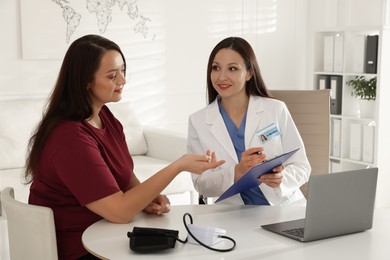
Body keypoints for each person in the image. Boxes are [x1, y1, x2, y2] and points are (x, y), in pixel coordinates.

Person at [24, 34, 224, 260]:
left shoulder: (105, 117)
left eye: (123, 70)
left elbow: (124, 176)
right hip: (82, 248)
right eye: (112, 75)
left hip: (108, 234)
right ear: (86, 82)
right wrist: (177, 166)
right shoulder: (70, 138)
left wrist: (149, 197)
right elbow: (119, 212)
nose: (123, 80)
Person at [187, 36, 311, 206]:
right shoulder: (198, 121)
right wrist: (237, 172)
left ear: (249, 73)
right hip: (233, 215)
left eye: (232, 68)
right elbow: (201, 185)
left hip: (284, 208)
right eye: (216, 68)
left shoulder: (275, 109)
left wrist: (282, 178)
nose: (222, 76)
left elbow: (302, 167)